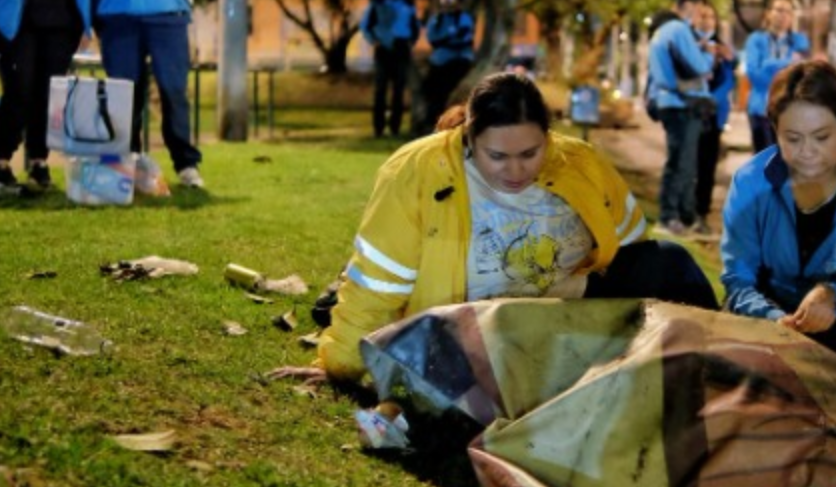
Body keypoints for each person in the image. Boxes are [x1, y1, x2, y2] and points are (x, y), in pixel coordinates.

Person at [274, 72, 720, 384]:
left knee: (671, 260)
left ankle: (729, 362)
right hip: (471, 330)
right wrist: (339, 364)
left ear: (550, 135)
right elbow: (377, 285)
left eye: (530, 153)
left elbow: (630, 247)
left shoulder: (579, 162)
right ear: (469, 137)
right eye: (497, 156)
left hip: (567, 312)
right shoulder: (417, 172)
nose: (515, 170)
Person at [720, 60, 836, 377]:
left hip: (834, 318)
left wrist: (833, 295)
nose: (807, 152)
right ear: (774, 130)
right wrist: (774, 319)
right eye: (792, 138)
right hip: (765, 317)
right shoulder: (750, 182)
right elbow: (738, 278)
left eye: (821, 137)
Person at [0, 0, 90, 195]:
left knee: (48, 95)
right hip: (16, 24)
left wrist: (86, 20)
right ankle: (1, 166)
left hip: (64, 22)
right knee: (19, 91)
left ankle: (39, 164)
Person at [93, 0, 205, 188]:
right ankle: (127, 161)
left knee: (174, 89)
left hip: (168, 14)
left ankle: (186, 164)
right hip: (117, 15)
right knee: (124, 95)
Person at [647, 0, 716, 236]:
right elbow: (697, 67)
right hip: (683, 104)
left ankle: (687, 216)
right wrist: (707, 55)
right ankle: (670, 216)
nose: (699, 12)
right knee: (681, 164)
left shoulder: (661, 31)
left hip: (673, 103)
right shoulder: (678, 29)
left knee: (682, 162)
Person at [691, 2, 736, 237]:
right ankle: (682, 212)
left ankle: (701, 213)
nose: (707, 21)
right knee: (688, 165)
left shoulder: (723, 50)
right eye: (702, 16)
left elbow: (730, 80)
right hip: (690, 114)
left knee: (707, 167)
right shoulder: (686, 45)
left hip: (714, 116)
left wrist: (711, 100)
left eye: (711, 17)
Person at [743, 0, 810, 154]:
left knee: (789, 162)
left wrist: (767, 65)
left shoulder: (800, 41)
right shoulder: (755, 40)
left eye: (788, 11)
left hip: (790, 111)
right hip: (760, 108)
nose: (783, 15)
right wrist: (787, 63)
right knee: (763, 160)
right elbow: (754, 75)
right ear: (768, 13)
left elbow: (801, 74)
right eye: (779, 10)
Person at [361, 0, 421, 138]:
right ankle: (378, 128)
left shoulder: (407, 4)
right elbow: (366, 26)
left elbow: (414, 27)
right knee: (380, 90)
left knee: (398, 90)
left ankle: (395, 127)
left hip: (401, 49)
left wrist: (409, 43)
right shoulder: (377, 4)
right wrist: (374, 41)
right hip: (383, 48)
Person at [420, 0, 475, 135]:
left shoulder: (464, 18)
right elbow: (433, 39)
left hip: (459, 61)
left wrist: (445, 39)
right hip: (439, 61)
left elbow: (464, 38)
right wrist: (450, 37)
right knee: (433, 94)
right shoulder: (437, 19)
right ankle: (432, 123)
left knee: (453, 94)